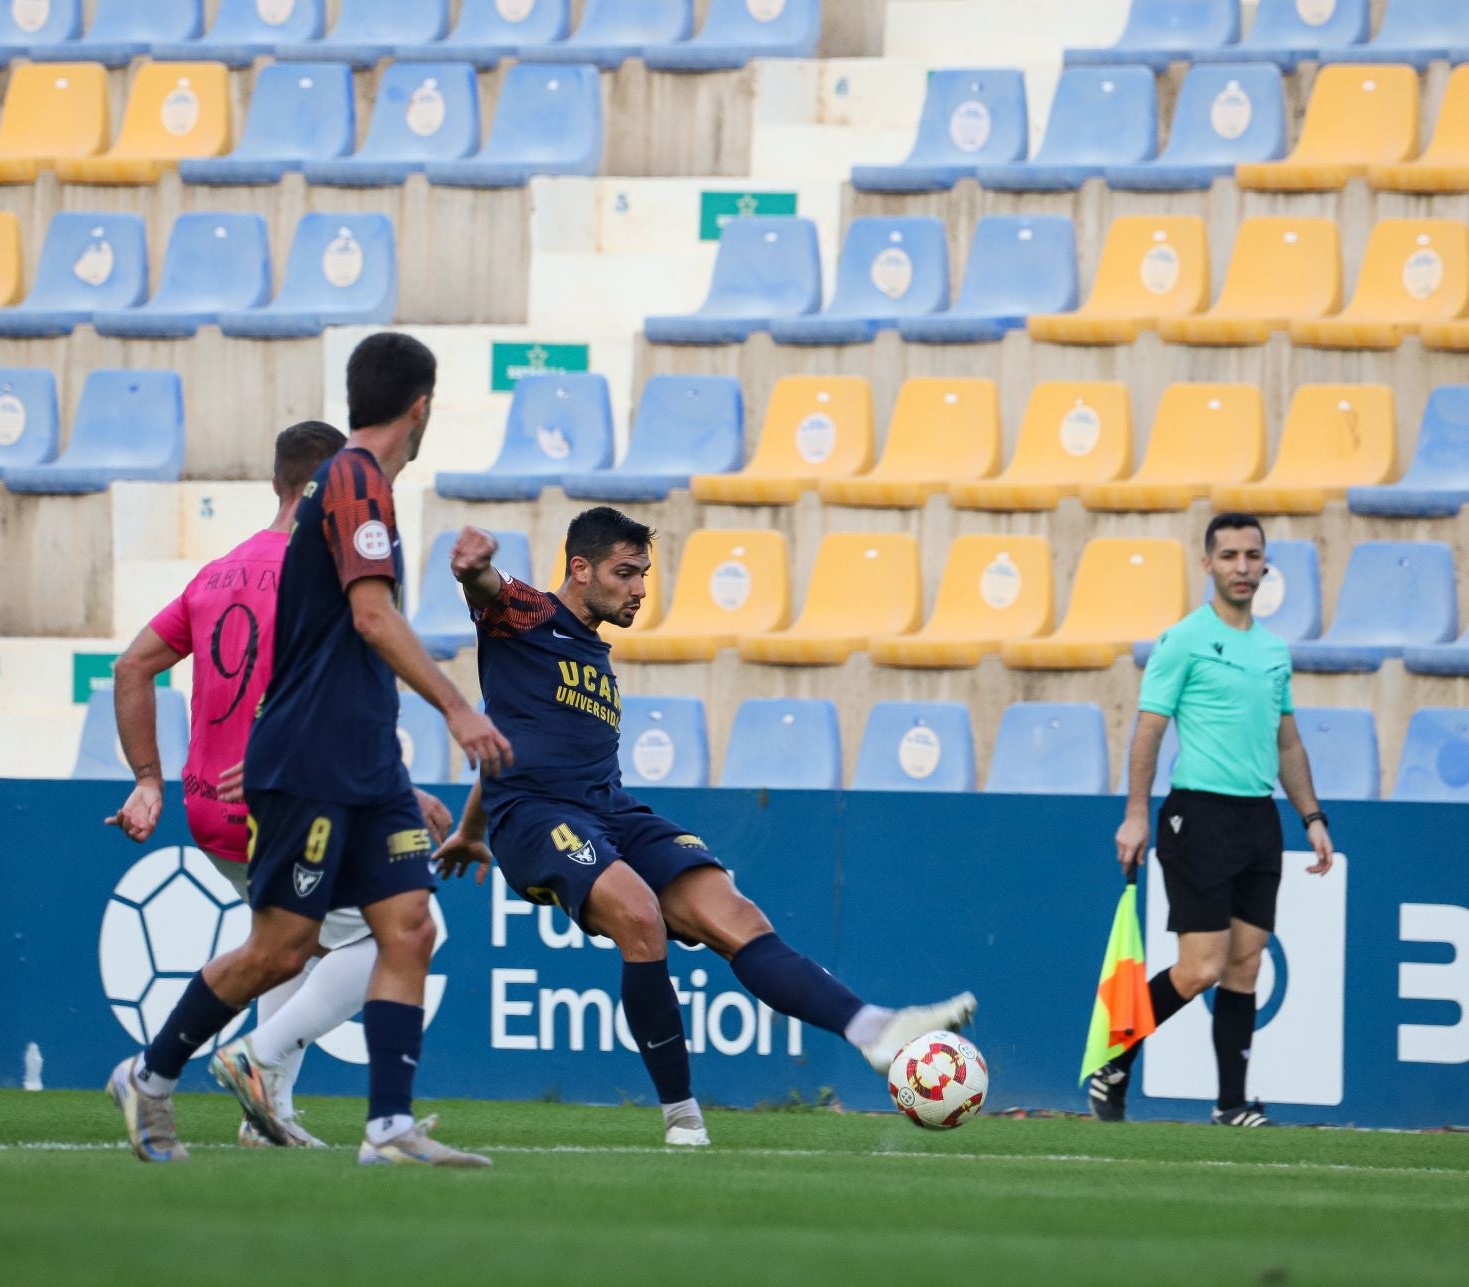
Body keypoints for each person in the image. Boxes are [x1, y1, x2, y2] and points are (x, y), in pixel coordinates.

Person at [429, 508, 977, 1147]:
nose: (639, 588)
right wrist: (475, 571)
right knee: (639, 914)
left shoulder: (593, 658)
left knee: (738, 917)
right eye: (625, 573)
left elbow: (508, 743)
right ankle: (682, 1115)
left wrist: (469, 829)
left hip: (610, 811)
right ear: (579, 570)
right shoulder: (529, 617)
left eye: (644, 574)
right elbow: (489, 589)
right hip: (537, 822)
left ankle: (875, 1030)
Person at [106, 332, 512, 1168]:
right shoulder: (356, 480)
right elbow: (370, 617)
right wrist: (457, 708)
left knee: (409, 926)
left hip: (362, 763)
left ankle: (388, 1129)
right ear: (421, 407)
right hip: (313, 762)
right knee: (282, 949)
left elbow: (343, 645)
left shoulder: (357, 489)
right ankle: (148, 1075)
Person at [1092, 512, 1336, 1127]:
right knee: (1200, 967)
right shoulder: (1184, 640)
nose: (1242, 567)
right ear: (1208, 565)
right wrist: (1135, 815)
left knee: (1246, 962)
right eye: (1229, 556)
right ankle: (1112, 1058)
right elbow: (1148, 731)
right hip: (1197, 815)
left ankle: (1231, 1104)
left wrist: (1311, 817)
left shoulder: (1274, 650)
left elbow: (1287, 743)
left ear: (1265, 564)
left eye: (1252, 556)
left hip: (1258, 820)